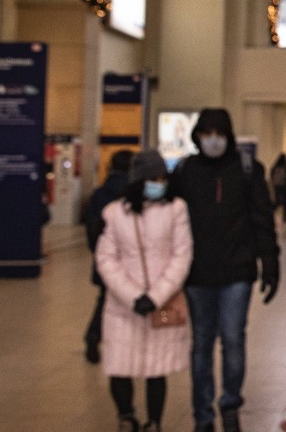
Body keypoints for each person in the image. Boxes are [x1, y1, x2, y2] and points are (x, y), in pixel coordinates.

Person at [171, 108, 280, 432]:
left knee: (233, 338)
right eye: (207, 133)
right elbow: (171, 222)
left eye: (219, 133)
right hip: (197, 274)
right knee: (202, 342)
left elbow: (262, 219)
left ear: (229, 136)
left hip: (237, 271)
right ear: (198, 136)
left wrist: (270, 262)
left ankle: (230, 403)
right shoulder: (185, 171)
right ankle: (202, 415)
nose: (213, 140)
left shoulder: (247, 170)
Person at [95, 150, 193, 432]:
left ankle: (154, 423)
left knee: (156, 368)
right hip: (122, 305)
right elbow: (106, 258)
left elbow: (181, 256)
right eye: (152, 178)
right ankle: (126, 416)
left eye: (162, 177)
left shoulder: (176, 209)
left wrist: (156, 296)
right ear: (139, 180)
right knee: (120, 364)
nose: (158, 183)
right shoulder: (115, 213)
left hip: (162, 301)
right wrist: (132, 295)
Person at [84, 149, 134, 364]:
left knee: (106, 299)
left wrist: (99, 253)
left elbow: (91, 230)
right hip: (132, 259)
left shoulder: (99, 194)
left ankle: (94, 335)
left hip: (107, 260)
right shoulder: (134, 193)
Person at [269, 153, 286, 230]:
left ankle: (272, 213)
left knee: (278, 202)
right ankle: (284, 218)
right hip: (284, 187)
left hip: (277, 186)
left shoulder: (275, 167)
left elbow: (271, 176)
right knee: (284, 203)